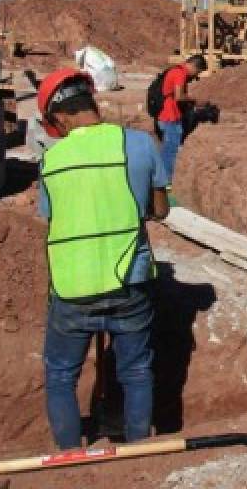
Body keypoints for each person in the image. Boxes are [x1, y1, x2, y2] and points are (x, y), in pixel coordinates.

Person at [36, 69, 169, 450]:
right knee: (137, 369)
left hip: (72, 285)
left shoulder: (52, 161)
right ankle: (138, 447)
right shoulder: (140, 144)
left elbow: (57, 215)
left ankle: (68, 454)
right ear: (92, 102)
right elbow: (159, 210)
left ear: (59, 118)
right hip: (129, 278)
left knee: (61, 374)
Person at [155, 54, 206, 184]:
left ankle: (160, 178)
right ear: (194, 66)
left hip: (165, 115)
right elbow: (179, 96)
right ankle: (165, 182)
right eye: (197, 72)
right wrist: (194, 100)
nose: (195, 75)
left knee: (167, 148)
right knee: (170, 151)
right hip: (170, 116)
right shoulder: (180, 74)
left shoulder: (175, 70)